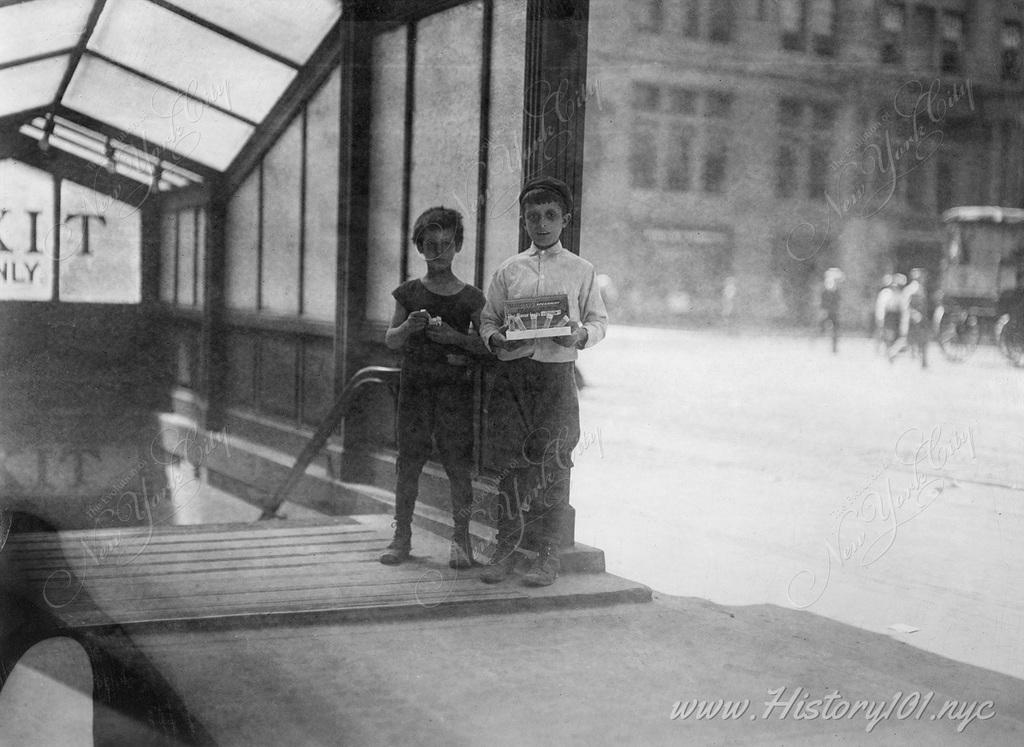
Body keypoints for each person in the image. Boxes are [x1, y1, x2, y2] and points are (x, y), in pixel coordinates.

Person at [478, 176, 608, 587]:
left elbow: (598, 322)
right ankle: (506, 548)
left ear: (564, 220)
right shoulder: (508, 270)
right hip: (514, 377)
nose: (541, 223)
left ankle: (547, 554)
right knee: (511, 464)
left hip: (555, 377)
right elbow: (488, 319)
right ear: (524, 221)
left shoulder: (581, 270)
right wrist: (494, 337)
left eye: (550, 215)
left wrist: (579, 335)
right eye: (533, 217)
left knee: (554, 463)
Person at [381, 207, 489, 568]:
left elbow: (489, 344)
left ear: (458, 246)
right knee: (408, 460)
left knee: (458, 464)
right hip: (415, 389)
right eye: (430, 245)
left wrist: (456, 337)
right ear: (419, 247)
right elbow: (391, 340)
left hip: (453, 392)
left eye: (445, 244)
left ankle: (462, 541)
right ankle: (402, 537)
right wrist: (408, 327)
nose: (438, 252)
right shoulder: (408, 293)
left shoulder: (471, 297)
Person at [819, 267, 843, 353]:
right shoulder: (830, 287)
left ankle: (834, 347)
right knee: (825, 326)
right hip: (830, 310)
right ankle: (818, 340)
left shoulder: (833, 288)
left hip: (832, 310)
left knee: (834, 328)